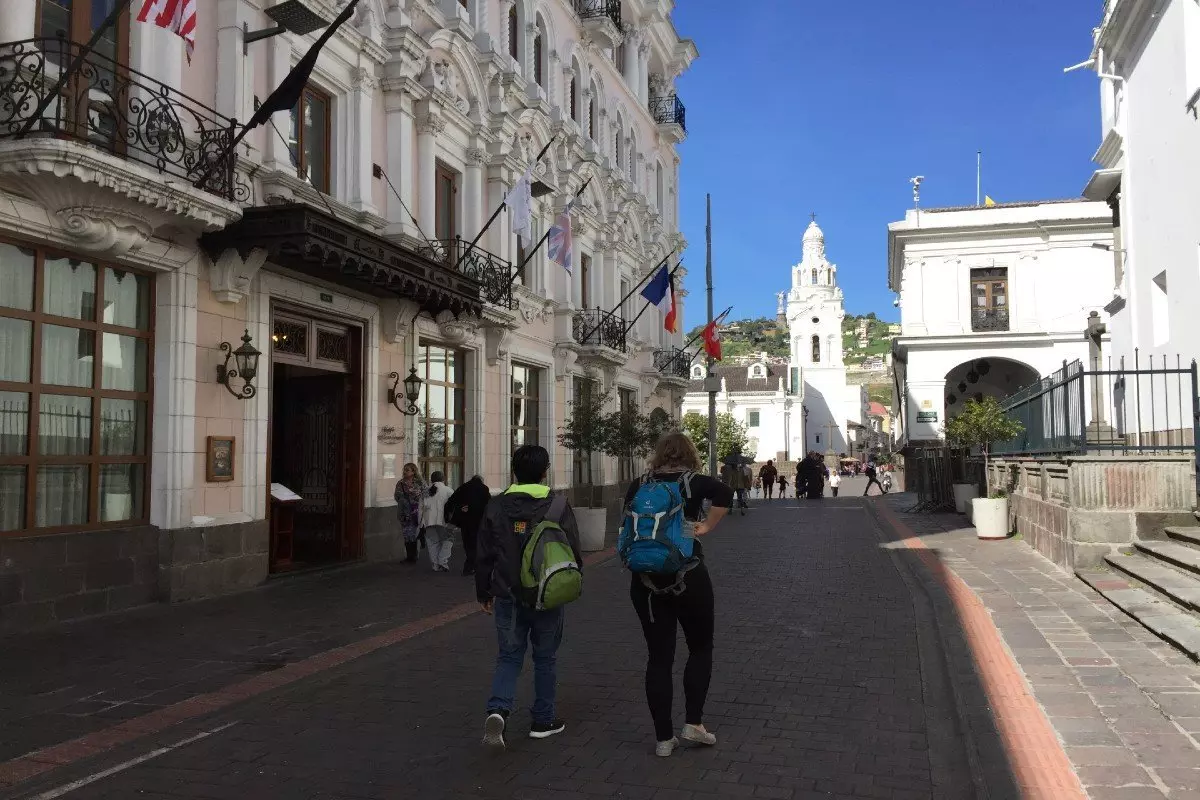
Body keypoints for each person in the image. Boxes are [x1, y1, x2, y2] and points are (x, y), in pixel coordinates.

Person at [625, 432, 732, 757]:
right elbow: (725, 492)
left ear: (659, 455)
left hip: (645, 580)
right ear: (689, 454)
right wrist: (705, 526)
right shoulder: (695, 483)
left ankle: (663, 739)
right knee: (700, 648)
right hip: (688, 574)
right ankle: (693, 723)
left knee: (659, 657)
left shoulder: (640, 484)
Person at [478, 445, 583, 748]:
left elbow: (483, 552)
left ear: (514, 471)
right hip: (546, 593)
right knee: (545, 657)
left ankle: (498, 710)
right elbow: (573, 549)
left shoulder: (496, 505)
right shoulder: (557, 505)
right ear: (545, 472)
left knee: (509, 656)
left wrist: (483, 591)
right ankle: (543, 720)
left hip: (507, 593)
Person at [446, 475, 491, 576]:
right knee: (475, 544)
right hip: (478, 521)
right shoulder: (484, 489)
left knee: (467, 543)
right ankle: (470, 566)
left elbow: (451, 501)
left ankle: (469, 565)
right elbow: (488, 504)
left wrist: (457, 510)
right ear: (481, 481)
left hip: (465, 521)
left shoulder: (464, 487)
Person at [420, 472, 454, 572]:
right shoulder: (448, 490)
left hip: (428, 521)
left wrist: (420, 523)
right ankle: (443, 561)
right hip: (443, 521)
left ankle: (435, 564)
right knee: (448, 540)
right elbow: (454, 507)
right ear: (444, 479)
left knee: (432, 542)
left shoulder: (425, 492)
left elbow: (420, 508)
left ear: (431, 480)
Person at [394, 463, 425, 564]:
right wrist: (405, 498)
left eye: (407, 470)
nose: (405, 472)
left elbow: (426, 494)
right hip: (405, 512)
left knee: (414, 534)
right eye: (404, 470)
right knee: (407, 534)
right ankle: (409, 556)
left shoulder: (420, 482)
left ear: (413, 471)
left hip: (416, 512)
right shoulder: (401, 483)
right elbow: (397, 497)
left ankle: (414, 556)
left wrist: (416, 495)